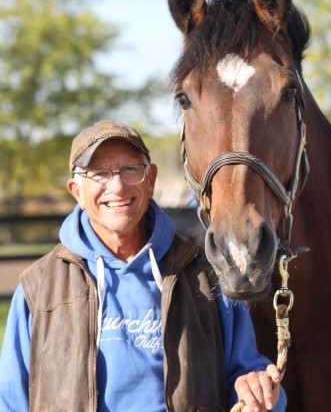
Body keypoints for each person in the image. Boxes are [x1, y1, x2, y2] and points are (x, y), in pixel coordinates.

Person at [0, 120, 286, 412]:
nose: (118, 186)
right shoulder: (38, 288)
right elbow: (9, 401)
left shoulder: (208, 276)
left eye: (130, 170)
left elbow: (248, 374)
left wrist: (257, 390)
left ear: (150, 180)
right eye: (99, 174)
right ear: (76, 191)